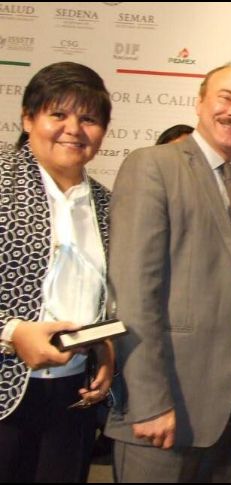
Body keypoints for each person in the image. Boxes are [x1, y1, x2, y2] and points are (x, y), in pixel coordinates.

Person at [105, 63, 231, 482]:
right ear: (199, 102)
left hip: (223, 419)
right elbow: (133, 293)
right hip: (162, 416)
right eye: (226, 98)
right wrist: (149, 401)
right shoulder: (154, 166)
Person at [0, 61, 114, 482]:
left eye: (89, 118)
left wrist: (105, 351)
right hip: (5, 388)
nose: (74, 128)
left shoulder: (107, 205)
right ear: (28, 118)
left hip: (73, 398)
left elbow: (104, 297)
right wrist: (12, 333)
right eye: (58, 114)